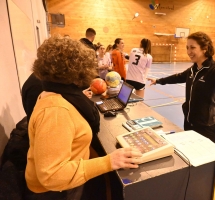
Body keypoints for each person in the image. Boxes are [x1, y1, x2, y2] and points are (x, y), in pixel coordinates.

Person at [25, 35, 142, 199]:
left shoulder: (51, 92)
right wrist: (109, 161)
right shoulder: (56, 110)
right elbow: (52, 176)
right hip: (56, 192)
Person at [147, 31, 215, 144]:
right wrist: (158, 81)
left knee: (206, 158)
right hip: (189, 121)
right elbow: (178, 77)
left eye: (192, 48)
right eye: (187, 48)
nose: (188, 52)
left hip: (207, 125)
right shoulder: (193, 69)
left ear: (204, 48)